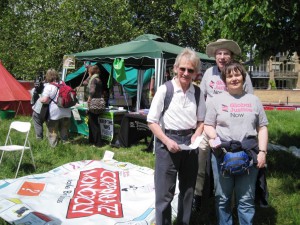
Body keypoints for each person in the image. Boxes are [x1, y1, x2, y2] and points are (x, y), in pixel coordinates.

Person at [193, 39, 254, 211]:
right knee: (200, 156)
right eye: (219, 53)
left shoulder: (240, 74)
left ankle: (233, 202)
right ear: (214, 56)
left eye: (226, 53)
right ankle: (198, 194)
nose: (222, 57)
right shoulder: (208, 74)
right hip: (209, 125)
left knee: (233, 162)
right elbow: (201, 100)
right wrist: (199, 125)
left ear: (231, 56)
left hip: (232, 128)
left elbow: (250, 100)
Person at [204, 61, 268, 225]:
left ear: (243, 77)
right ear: (224, 79)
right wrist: (213, 138)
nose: (233, 78)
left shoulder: (254, 100)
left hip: (248, 155)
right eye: (229, 75)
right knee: (222, 198)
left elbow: (262, 128)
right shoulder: (215, 101)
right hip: (222, 155)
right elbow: (208, 125)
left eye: (237, 74)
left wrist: (262, 152)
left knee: (246, 199)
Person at [147, 48, 206, 225]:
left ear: (196, 73)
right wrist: (166, 140)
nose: (186, 73)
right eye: (183, 69)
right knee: (165, 194)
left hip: (190, 145)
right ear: (175, 68)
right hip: (167, 144)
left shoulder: (197, 93)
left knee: (188, 191)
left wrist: (196, 134)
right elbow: (151, 121)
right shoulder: (165, 90)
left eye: (190, 70)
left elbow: (201, 121)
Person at [40, 69, 71, 147]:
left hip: (54, 113)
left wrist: (40, 99)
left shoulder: (49, 87)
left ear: (48, 76)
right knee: (64, 128)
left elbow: (45, 100)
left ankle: (53, 147)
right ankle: (66, 144)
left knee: (52, 130)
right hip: (66, 111)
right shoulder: (64, 84)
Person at [83, 65, 104, 147]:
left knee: (94, 123)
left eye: (89, 71)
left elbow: (92, 91)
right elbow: (85, 83)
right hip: (98, 102)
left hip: (94, 103)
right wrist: (89, 76)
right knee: (91, 121)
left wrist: (89, 98)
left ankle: (98, 143)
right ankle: (92, 140)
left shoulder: (94, 80)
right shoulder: (97, 78)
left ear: (91, 71)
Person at [31, 74, 46, 140]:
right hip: (48, 108)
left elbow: (32, 102)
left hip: (38, 109)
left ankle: (39, 138)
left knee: (38, 123)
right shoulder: (49, 87)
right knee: (50, 125)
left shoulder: (33, 90)